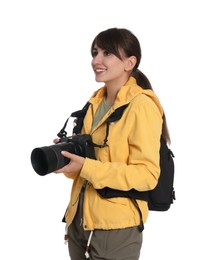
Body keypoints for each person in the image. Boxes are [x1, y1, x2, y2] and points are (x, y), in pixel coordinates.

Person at [55, 27, 170, 260]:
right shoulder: (94, 104)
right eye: (94, 52)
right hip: (79, 221)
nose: (96, 60)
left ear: (130, 62)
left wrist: (85, 166)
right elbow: (87, 168)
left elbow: (147, 175)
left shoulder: (142, 106)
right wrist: (68, 160)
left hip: (116, 229)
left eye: (107, 53)